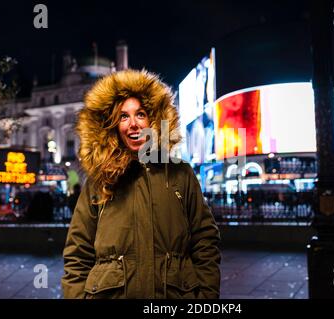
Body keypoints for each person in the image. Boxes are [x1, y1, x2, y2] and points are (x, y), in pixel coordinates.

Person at [61, 69, 221, 299]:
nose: (133, 124)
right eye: (123, 116)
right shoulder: (99, 181)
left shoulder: (180, 174)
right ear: (113, 126)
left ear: (154, 120)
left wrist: (205, 297)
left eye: (141, 114)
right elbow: (78, 253)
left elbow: (205, 241)